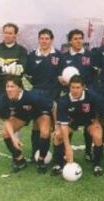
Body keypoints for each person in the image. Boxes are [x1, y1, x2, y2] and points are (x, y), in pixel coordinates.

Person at [52, 75, 104, 176]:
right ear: (69, 88)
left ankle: (97, 165)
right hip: (71, 122)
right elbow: (63, 126)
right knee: (57, 135)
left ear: (83, 87)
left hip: (89, 120)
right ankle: (59, 164)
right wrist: (68, 148)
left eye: (78, 87)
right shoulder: (63, 100)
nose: (75, 90)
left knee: (98, 135)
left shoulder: (92, 96)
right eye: (73, 87)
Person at [0, 23, 27, 166]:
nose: (7, 35)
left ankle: (16, 154)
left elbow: (21, 70)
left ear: (16, 34)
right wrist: (7, 69)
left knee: (14, 120)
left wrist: (0, 67)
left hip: (15, 90)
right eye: (5, 32)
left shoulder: (21, 50)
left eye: (10, 33)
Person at [0, 76, 54, 173]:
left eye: (12, 86)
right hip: (22, 115)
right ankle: (20, 160)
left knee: (45, 132)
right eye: (8, 86)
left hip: (39, 113)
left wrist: (55, 125)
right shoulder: (3, 99)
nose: (9, 89)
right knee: (5, 132)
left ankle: (41, 161)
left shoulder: (33, 97)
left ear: (20, 88)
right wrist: (13, 138)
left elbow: (53, 106)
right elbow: (6, 120)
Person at [58, 29, 98, 161]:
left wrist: (89, 88)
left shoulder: (90, 55)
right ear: (70, 41)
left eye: (80, 38)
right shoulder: (64, 57)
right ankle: (64, 150)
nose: (79, 40)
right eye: (75, 38)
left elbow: (96, 73)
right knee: (68, 121)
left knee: (89, 122)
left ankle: (88, 151)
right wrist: (62, 80)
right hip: (71, 95)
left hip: (87, 95)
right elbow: (59, 75)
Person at [25, 28, 62, 161]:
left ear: (51, 40)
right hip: (37, 94)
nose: (44, 41)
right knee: (37, 124)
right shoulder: (32, 56)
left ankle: (57, 155)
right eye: (42, 38)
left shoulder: (58, 55)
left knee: (53, 124)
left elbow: (61, 76)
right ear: (38, 39)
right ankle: (35, 153)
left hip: (53, 94)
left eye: (47, 38)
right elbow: (28, 75)